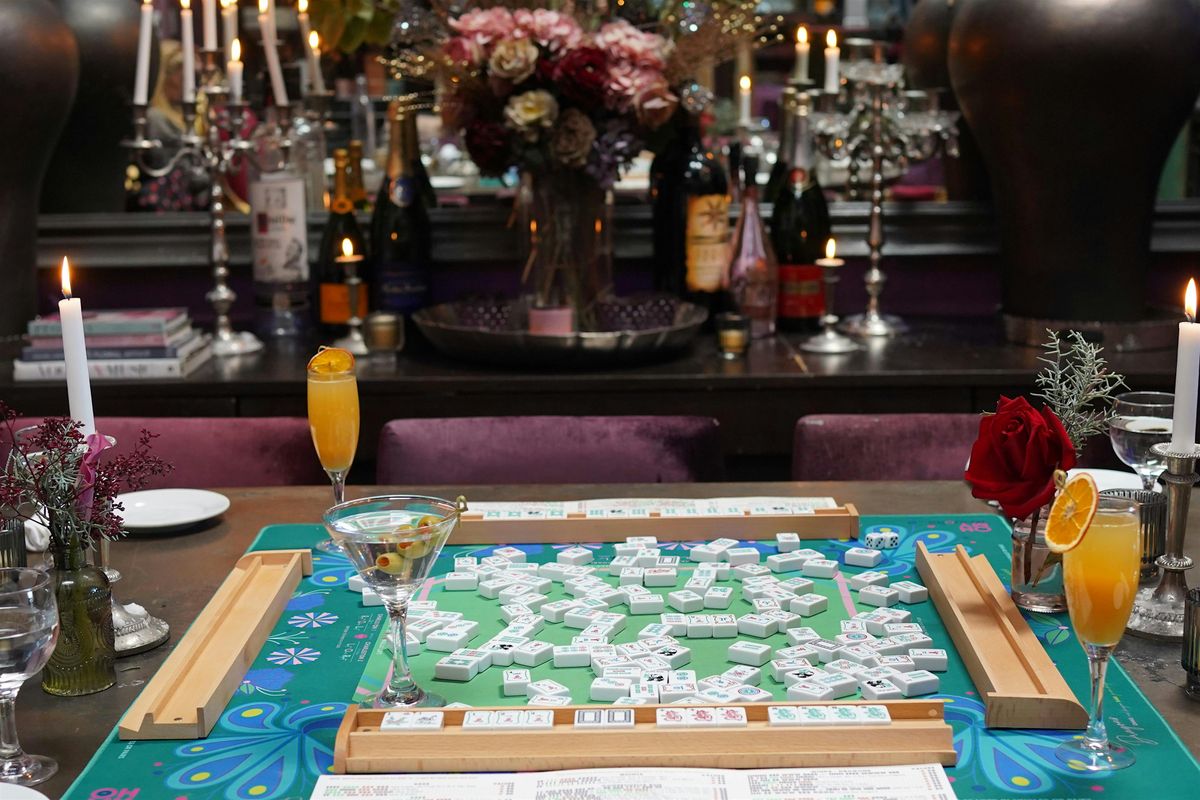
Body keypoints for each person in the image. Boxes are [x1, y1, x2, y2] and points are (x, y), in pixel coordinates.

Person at [131, 40, 210, 212]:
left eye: (194, 78)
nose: (189, 86)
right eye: (183, 77)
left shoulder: (192, 118)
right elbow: (179, 169)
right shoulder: (156, 118)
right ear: (165, 76)